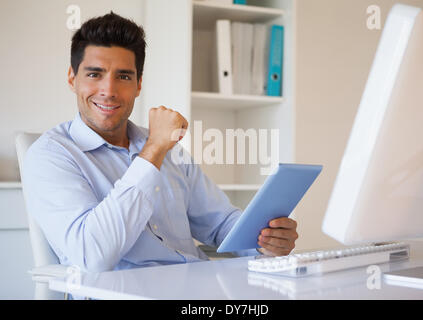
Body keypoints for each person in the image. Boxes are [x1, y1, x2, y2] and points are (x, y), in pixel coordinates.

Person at [22, 12, 298, 273]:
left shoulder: (165, 147)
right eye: (94, 74)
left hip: (197, 286)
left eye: (124, 76)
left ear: (139, 84)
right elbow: (92, 255)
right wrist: (153, 150)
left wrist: (265, 242)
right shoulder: (50, 156)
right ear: (72, 78)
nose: (108, 90)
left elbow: (221, 224)